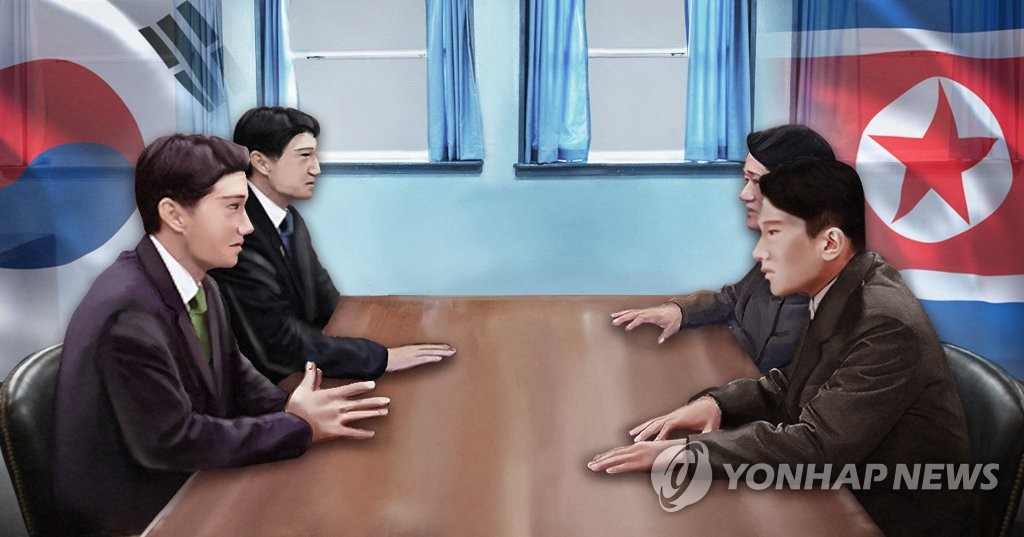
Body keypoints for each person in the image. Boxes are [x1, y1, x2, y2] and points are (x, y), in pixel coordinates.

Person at [589, 158, 970, 537]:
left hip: (889, 518)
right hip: (847, 495)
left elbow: (817, 447)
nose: (759, 253)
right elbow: (792, 384)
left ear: (830, 243)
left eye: (774, 234)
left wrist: (690, 453)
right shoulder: (844, 289)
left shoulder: (884, 323)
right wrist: (718, 404)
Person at [52, 134, 391, 535]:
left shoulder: (202, 284)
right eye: (232, 207)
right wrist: (298, 427)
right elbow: (175, 441)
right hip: (138, 517)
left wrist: (291, 406)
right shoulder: (127, 313)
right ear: (174, 215)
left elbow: (236, 376)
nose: (247, 226)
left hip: (188, 486)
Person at [209, 107, 454, 384]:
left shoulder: (289, 219)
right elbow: (277, 345)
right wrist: (381, 357)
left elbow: (325, 301)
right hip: (264, 385)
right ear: (261, 163)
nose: (316, 168)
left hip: (305, 366)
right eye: (304, 156)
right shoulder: (239, 231)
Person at [611, 125, 835, 372]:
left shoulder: (826, 284)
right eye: (746, 180)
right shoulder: (783, 250)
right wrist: (679, 311)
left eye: (757, 182)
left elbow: (784, 379)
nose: (744, 194)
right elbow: (732, 298)